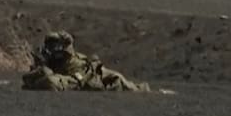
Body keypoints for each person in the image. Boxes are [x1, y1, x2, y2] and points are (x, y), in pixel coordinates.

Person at [21, 31, 149, 92]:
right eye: (51, 46)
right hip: (73, 79)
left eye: (56, 45)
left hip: (88, 75)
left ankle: (141, 89)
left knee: (118, 79)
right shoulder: (49, 62)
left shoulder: (70, 57)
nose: (53, 49)